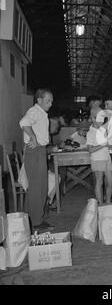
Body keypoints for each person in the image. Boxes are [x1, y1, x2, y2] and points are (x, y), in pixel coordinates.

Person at [19, 88, 54, 231]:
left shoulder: (41, 113)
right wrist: (33, 137)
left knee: (41, 187)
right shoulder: (34, 111)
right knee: (37, 187)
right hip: (35, 151)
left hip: (39, 151)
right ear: (39, 100)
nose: (51, 104)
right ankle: (36, 222)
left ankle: (31, 217)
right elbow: (23, 122)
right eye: (48, 101)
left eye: (51, 101)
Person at [86, 107, 112, 204]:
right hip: (97, 159)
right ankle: (101, 204)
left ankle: (108, 202)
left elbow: (106, 144)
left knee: (111, 182)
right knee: (99, 182)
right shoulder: (91, 132)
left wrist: (111, 146)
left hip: (106, 157)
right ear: (93, 118)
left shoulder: (102, 129)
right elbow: (90, 149)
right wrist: (104, 144)